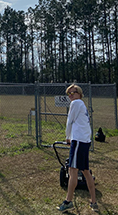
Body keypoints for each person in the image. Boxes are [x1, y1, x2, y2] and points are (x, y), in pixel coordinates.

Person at [57, 84, 98, 212]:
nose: (70, 96)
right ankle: (94, 201)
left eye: (73, 92)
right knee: (85, 171)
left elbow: (70, 121)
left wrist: (68, 137)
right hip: (84, 140)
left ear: (79, 93)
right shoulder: (82, 105)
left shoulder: (76, 103)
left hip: (79, 141)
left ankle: (68, 201)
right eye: (69, 94)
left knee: (72, 170)